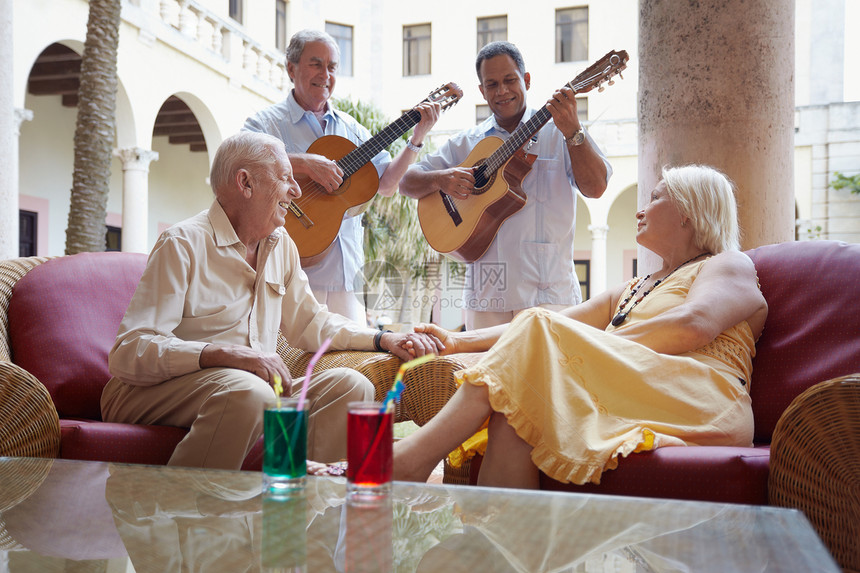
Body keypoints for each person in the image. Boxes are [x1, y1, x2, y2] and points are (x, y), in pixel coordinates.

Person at [392, 164, 768, 489]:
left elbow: (694, 325)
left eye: (654, 198)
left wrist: (586, 348)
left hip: (703, 399)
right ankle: (500, 551)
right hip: (639, 388)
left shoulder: (726, 263)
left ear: (688, 211)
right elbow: (552, 326)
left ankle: (413, 458)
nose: (641, 209)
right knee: (515, 415)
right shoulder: (636, 287)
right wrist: (456, 341)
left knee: (540, 333)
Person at [101, 131, 440, 471]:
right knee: (250, 391)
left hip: (249, 389)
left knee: (351, 385)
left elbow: (311, 323)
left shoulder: (281, 245)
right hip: (152, 392)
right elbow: (130, 351)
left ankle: (303, 505)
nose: (296, 190)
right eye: (285, 179)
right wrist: (222, 354)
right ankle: (188, 516)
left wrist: (383, 338)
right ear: (245, 183)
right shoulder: (183, 243)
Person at [399, 41, 612, 330]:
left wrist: (574, 131)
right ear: (482, 91)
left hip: (550, 295)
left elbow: (596, 188)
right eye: (492, 84)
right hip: (486, 299)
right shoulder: (467, 143)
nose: (502, 91)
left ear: (526, 80)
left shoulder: (560, 130)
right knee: (485, 376)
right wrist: (442, 178)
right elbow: (406, 182)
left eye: (510, 80)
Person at [243, 29, 441, 324]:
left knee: (348, 364)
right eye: (316, 64)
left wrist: (417, 138)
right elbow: (242, 159)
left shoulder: (353, 129)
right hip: (288, 274)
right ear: (291, 68)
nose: (325, 74)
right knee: (289, 366)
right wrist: (305, 164)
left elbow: (386, 185)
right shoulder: (266, 122)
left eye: (332, 66)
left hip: (346, 277)